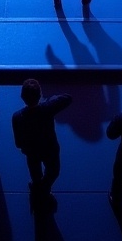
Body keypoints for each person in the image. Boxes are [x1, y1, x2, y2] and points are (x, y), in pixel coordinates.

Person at [11, 78, 72, 212]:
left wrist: (25, 147)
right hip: (50, 149)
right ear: (40, 95)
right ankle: (43, 189)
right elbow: (68, 98)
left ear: (22, 97)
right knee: (53, 171)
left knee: (35, 173)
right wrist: (52, 98)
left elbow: (18, 143)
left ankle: (37, 188)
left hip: (31, 152)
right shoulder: (48, 108)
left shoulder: (17, 117)